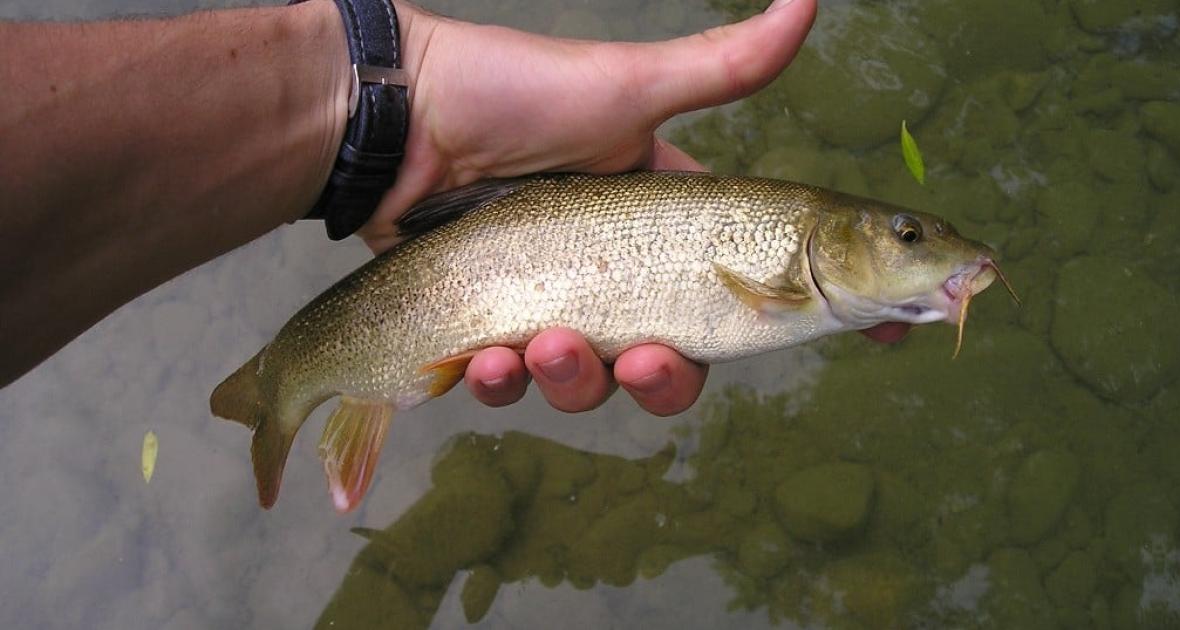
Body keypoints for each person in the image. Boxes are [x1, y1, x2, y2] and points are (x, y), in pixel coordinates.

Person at [0, 0, 902, 412]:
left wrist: (373, 112)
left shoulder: (816, 264)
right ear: (837, 239)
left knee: (510, 363)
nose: (938, 255)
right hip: (455, 211)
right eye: (907, 235)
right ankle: (292, 382)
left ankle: (308, 380)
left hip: (434, 185)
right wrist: (380, 112)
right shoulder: (797, 252)